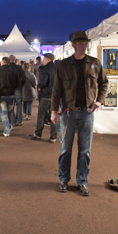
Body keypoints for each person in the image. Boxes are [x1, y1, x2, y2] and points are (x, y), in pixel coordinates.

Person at [51, 31, 108, 196]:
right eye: (80, 43)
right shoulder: (63, 65)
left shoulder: (95, 63)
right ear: (73, 45)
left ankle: (82, 181)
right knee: (65, 149)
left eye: (85, 43)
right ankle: (64, 179)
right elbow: (56, 90)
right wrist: (54, 111)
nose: (83, 46)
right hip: (67, 113)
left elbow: (104, 83)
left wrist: (100, 100)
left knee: (85, 150)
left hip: (87, 113)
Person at [28, 53, 57, 142]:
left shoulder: (46, 69)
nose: (43, 60)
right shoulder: (56, 68)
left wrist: (39, 86)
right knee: (54, 116)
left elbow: (43, 81)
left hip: (45, 95)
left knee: (41, 115)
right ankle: (53, 136)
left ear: (48, 60)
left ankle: (38, 134)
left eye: (44, 59)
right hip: (55, 96)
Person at [0, 57, 21, 137]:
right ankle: (9, 126)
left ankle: (6, 130)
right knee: (10, 112)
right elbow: (18, 84)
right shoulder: (14, 72)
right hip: (11, 94)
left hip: (1, 95)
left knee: (4, 113)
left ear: (3, 62)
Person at [9, 55, 26, 126]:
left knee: (11, 105)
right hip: (18, 88)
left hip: (10, 89)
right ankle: (19, 121)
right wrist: (21, 85)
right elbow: (24, 78)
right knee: (19, 104)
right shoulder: (19, 67)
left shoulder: (7, 68)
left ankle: (13, 121)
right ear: (15, 60)